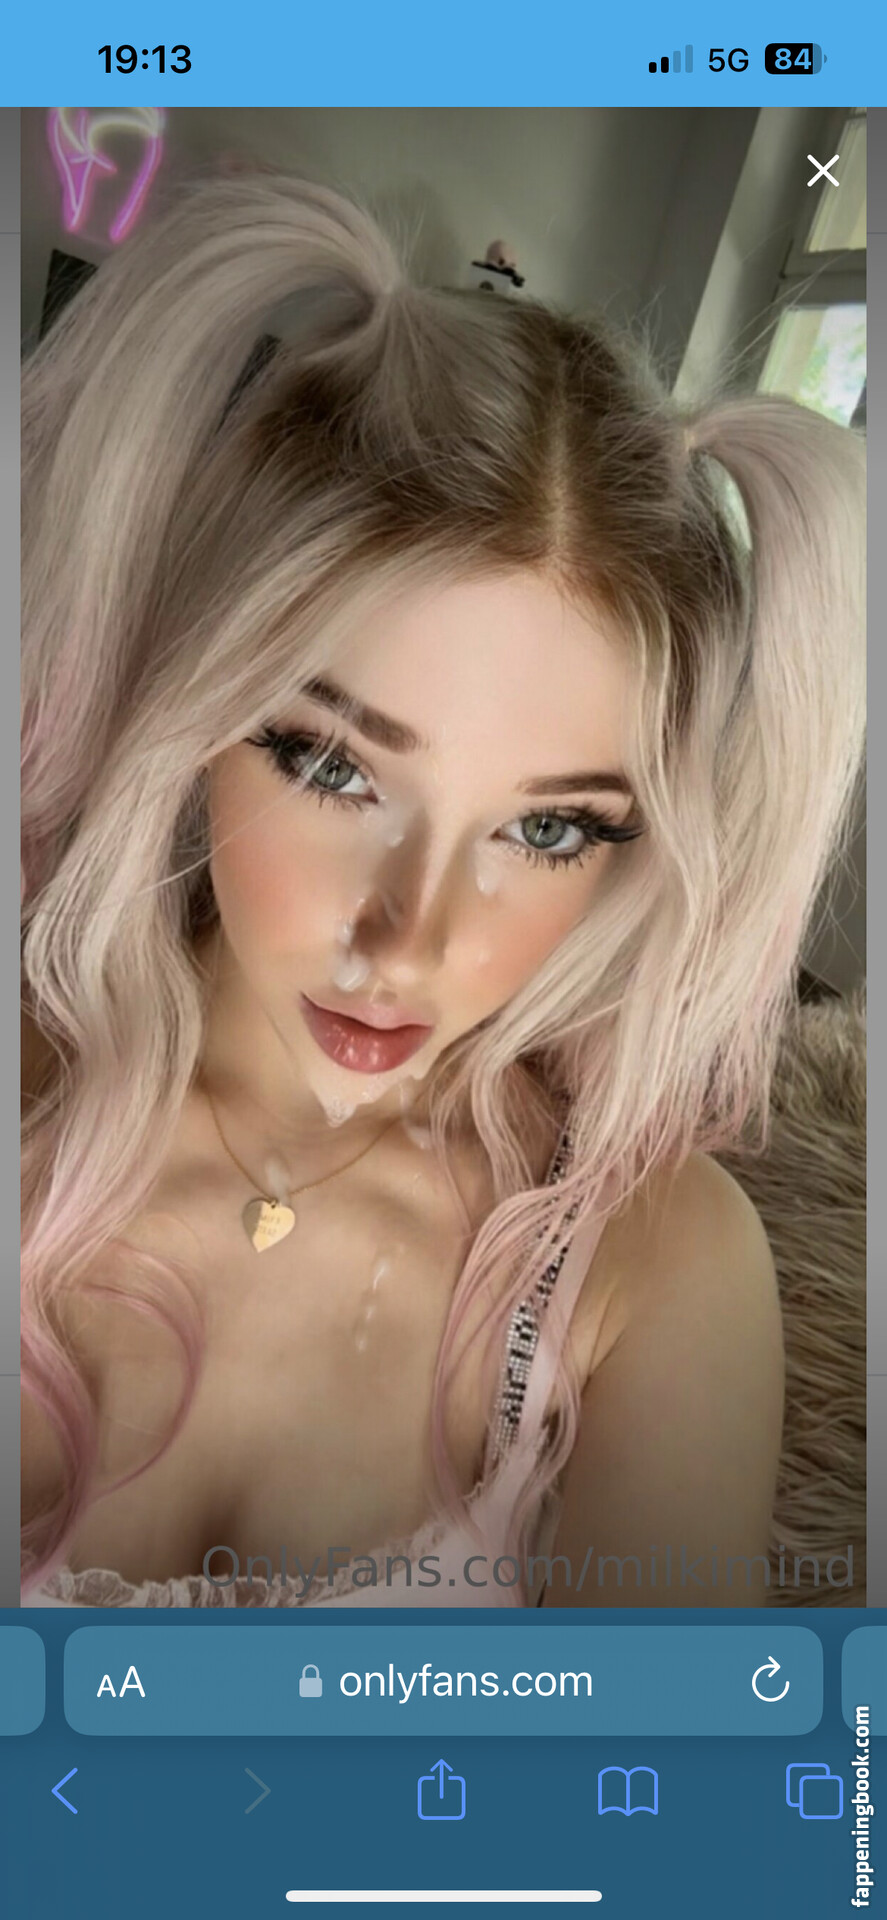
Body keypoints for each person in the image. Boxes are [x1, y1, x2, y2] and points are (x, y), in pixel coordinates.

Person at [20, 169, 865, 1610]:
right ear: (190, 712)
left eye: (549, 830)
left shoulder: (654, 1277)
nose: (410, 939)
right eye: (330, 765)